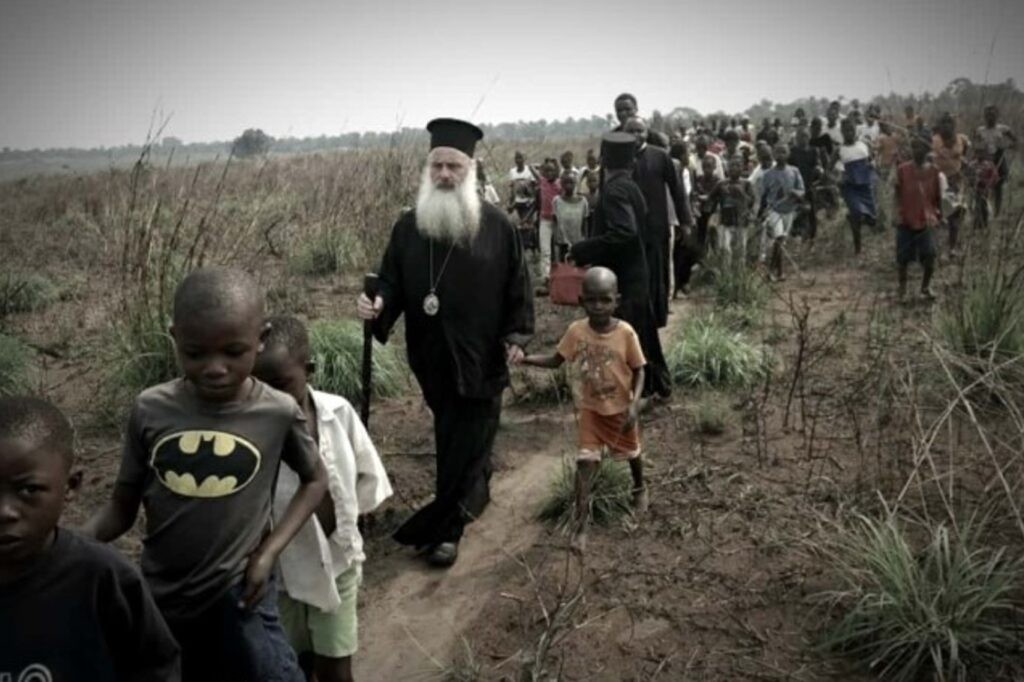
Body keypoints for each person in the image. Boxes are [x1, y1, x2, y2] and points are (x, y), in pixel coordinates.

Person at [83, 266, 329, 682]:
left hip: (240, 594)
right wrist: (66, 544)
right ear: (175, 338)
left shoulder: (276, 412)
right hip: (163, 595)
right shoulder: (151, 409)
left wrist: (267, 554)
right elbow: (121, 509)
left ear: (261, 338)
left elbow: (316, 479)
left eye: (233, 352)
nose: (216, 368)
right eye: (196, 354)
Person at [357, 118, 534, 568]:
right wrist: (378, 304)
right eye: (437, 166)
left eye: (453, 166)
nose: (444, 175)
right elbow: (391, 281)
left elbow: (518, 285)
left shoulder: (497, 227)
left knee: (467, 435)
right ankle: (476, 486)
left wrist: (516, 334)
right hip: (431, 355)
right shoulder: (408, 228)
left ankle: (445, 531)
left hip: (483, 354)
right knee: (455, 434)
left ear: (470, 169)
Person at [0, 396, 181, 681]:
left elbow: (157, 669)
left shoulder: (103, 579)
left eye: (28, 490)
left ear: (71, 486)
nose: (5, 512)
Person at [252, 316, 392, 682]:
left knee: (336, 667)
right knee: (293, 663)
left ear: (309, 370)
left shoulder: (338, 412)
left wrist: (353, 521)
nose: (272, 397)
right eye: (259, 386)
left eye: (281, 385)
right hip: (283, 572)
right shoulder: (253, 433)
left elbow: (365, 472)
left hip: (337, 562)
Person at [515, 267, 646, 549]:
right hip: (591, 412)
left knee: (632, 453)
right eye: (592, 300)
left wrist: (635, 404)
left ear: (616, 301)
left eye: (605, 300)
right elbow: (556, 360)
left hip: (620, 411)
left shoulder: (625, 333)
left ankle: (639, 487)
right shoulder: (577, 331)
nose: (598, 306)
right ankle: (580, 524)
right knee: (585, 465)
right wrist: (525, 358)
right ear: (581, 300)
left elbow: (640, 369)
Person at [570, 131, 672, 400]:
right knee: (642, 333)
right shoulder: (631, 187)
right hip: (636, 272)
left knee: (628, 336)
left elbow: (624, 232)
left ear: (604, 161)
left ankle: (638, 393)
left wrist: (584, 249)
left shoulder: (614, 190)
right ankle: (656, 387)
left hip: (623, 277)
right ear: (631, 162)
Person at [623, 116, 691, 329]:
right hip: (627, 226)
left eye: (640, 131)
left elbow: (678, 191)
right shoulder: (617, 156)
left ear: (647, 133)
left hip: (656, 226)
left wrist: (685, 221)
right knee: (631, 271)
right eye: (631, 131)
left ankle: (657, 316)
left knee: (658, 271)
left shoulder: (660, 156)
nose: (636, 135)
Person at [893, 135, 941, 301]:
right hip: (906, 217)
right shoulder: (903, 169)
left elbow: (938, 196)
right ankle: (902, 290)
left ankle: (925, 288)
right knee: (903, 258)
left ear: (927, 150)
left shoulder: (934, 171)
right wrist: (896, 213)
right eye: (913, 147)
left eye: (920, 147)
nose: (916, 151)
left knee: (930, 254)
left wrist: (939, 214)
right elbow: (897, 193)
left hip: (927, 218)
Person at [759, 143, 805, 280]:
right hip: (774, 210)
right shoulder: (768, 174)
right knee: (779, 238)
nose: (780, 155)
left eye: (783, 152)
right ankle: (774, 271)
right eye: (777, 152)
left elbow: (802, 191)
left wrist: (795, 193)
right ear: (773, 155)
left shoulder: (794, 171)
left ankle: (776, 272)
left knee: (781, 242)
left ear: (788, 154)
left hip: (789, 211)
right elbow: (764, 196)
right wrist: (761, 212)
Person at [931, 112, 971, 255]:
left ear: (954, 126)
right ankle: (933, 246)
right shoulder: (933, 140)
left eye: (949, 123)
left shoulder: (962, 139)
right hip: (936, 181)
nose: (947, 127)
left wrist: (962, 165)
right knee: (936, 213)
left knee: (954, 214)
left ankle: (952, 247)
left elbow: (965, 154)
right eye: (944, 124)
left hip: (954, 180)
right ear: (940, 126)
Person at [839, 119, 877, 255]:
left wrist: (873, 164)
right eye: (846, 130)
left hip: (865, 184)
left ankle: (854, 218)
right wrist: (839, 177)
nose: (849, 133)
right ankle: (858, 248)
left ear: (855, 130)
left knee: (872, 219)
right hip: (850, 186)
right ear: (842, 132)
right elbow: (829, 169)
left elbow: (873, 158)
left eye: (851, 130)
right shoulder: (840, 149)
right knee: (856, 213)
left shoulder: (864, 144)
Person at [974, 105, 1017, 216]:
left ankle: (997, 211)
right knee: (983, 186)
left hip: (999, 158)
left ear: (997, 116)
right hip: (985, 160)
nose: (990, 118)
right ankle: (984, 211)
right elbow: (976, 145)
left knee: (998, 186)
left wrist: (1007, 146)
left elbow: (1015, 140)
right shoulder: (980, 130)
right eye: (988, 115)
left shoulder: (1003, 129)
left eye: (993, 115)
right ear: (984, 117)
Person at [788, 127, 824, 243]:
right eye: (800, 136)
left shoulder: (814, 151)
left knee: (811, 211)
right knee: (796, 211)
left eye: (805, 136)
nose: (803, 139)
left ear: (809, 137)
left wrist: (819, 169)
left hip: (809, 184)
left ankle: (813, 237)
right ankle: (796, 234)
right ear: (796, 138)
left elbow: (818, 164)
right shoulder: (792, 152)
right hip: (796, 186)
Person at [717, 158, 755, 263]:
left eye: (737, 165)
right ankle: (725, 270)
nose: (734, 168)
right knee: (725, 248)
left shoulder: (746, 184)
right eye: (731, 165)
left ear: (742, 168)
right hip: (725, 220)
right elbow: (711, 198)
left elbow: (751, 202)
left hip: (741, 221)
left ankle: (739, 271)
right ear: (727, 168)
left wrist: (741, 193)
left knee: (741, 249)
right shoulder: (722, 184)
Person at [536, 158, 562, 294]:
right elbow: (532, 168)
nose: (549, 173)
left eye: (552, 170)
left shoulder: (559, 184)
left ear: (556, 171)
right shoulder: (542, 182)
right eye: (547, 170)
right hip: (544, 220)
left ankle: (559, 275)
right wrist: (540, 166)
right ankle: (545, 276)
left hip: (557, 220)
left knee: (557, 249)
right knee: (545, 250)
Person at [552, 170, 589, 258]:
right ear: (561, 184)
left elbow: (585, 222)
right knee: (563, 264)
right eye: (565, 182)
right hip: (562, 243)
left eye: (571, 182)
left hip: (578, 242)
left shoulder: (583, 201)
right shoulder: (557, 201)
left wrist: (586, 240)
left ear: (575, 183)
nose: (568, 185)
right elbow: (555, 222)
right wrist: (555, 240)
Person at [507, 151, 539, 250]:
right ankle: (522, 246)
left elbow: (534, 187)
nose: (518, 160)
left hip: (528, 203)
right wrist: (510, 203)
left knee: (528, 225)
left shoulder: (529, 171)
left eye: (520, 158)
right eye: (516, 158)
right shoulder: (512, 172)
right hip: (517, 204)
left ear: (524, 159)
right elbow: (512, 189)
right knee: (520, 225)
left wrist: (534, 200)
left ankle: (531, 246)